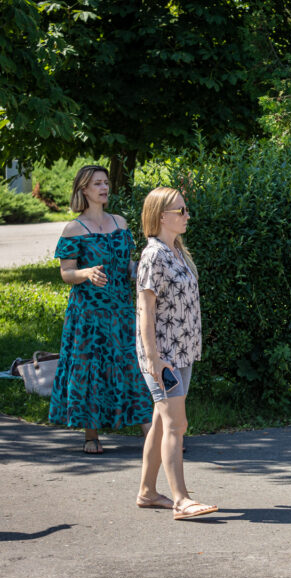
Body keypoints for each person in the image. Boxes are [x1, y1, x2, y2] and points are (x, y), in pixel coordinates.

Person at [49, 165, 152, 454]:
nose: (104, 187)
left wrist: (142, 268)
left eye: (106, 182)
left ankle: (152, 435)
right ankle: (91, 435)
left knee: (131, 367)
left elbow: (127, 266)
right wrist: (86, 273)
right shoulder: (73, 229)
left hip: (120, 311)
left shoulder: (120, 223)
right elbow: (66, 274)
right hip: (88, 315)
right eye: (97, 183)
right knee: (90, 370)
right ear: (84, 189)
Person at [136, 187, 217, 520]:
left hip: (181, 352)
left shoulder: (177, 251)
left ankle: (147, 493)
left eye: (186, 209)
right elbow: (145, 308)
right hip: (164, 354)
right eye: (180, 211)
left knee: (160, 423)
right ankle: (181, 500)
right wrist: (154, 357)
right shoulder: (154, 254)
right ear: (161, 216)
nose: (187, 215)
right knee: (176, 424)